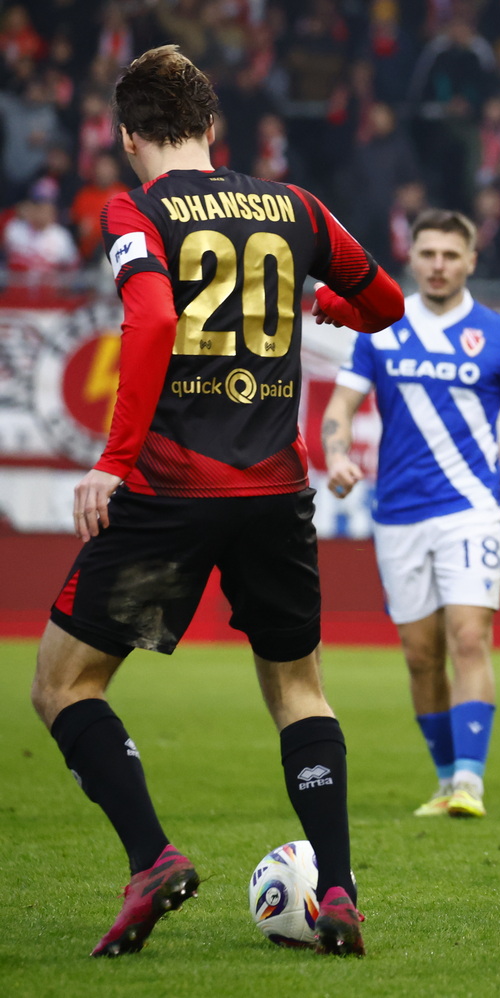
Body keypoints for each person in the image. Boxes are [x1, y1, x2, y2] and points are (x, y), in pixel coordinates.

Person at [29, 45, 404, 958]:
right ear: (211, 125)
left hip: (170, 492)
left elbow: (154, 318)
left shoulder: (137, 210)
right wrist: (335, 311)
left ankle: (152, 857)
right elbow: (386, 301)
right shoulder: (295, 206)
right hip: (276, 492)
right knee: (299, 691)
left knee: (63, 684)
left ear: (128, 138)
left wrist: (111, 462)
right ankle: (339, 891)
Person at [321, 209, 500, 820]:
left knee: (468, 636)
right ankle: (443, 779)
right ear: (412, 257)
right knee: (420, 655)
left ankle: (469, 781)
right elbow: (340, 409)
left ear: (470, 261)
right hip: (399, 514)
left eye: (450, 255)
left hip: (471, 509)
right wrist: (336, 453)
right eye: (428, 254)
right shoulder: (380, 327)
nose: (438, 265)